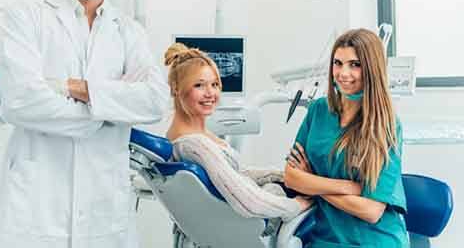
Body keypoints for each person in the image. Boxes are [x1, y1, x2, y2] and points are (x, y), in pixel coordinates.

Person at [0, 0, 169, 248]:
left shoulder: (128, 32)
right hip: (36, 210)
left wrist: (73, 88)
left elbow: (154, 101)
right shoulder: (27, 17)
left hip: (105, 211)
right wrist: (107, 112)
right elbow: (21, 102)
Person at [284, 28, 409, 247]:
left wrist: (312, 182)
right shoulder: (318, 111)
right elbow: (292, 178)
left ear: (371, 69)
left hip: (375, 240)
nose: (343, 73)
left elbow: (371, 211)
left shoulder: (385, 126)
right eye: (337, 63)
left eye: (355, 65)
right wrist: (348, 186)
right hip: (324, 238)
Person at [164, 43, 312, 226]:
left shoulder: (196, 136)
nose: (211, 93)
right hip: (249, 224)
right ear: (176, 88)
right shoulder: (193, 145)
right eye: (199, 85)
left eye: (215, 84)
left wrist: (282, 175)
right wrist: (295, 205)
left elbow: (236, 174)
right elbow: (247, 200)